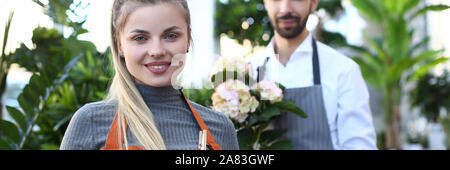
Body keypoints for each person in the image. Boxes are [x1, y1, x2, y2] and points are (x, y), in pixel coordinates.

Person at [60, 0, 239, 150]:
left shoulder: (220, 128)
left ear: (187, 39)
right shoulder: (90, 121)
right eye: (140, 38)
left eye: (170, 35)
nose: (157, 51)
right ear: (120, 45)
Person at [249, 0, 377, 150]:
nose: (286, 8)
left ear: (314, 2)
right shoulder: (248, 72)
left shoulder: (344, 70)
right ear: (265, 2)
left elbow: (359, 146)